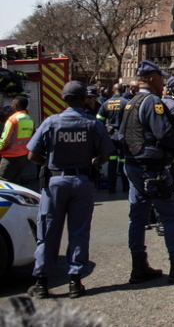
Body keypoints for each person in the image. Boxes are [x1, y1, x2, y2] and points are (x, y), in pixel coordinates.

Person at [120, 60, 174, 284]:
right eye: (160, 78)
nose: (163, 82)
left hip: (134, 165)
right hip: (152, 168)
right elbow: (164, 133)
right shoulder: (152, 102)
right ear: (150, 79)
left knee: (137, 217)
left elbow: (121, 135)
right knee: (170, 215)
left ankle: (139, 266)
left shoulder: (131, 102)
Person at [26, 81, 113, 299]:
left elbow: (32, 155)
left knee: (47, 232)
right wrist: (91, 164)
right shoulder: (93, 124)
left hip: (54, 182)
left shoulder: (51, 122)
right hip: (82, 181)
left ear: (63, 98)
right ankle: (75, 282)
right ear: (84, 99)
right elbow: (104, 156)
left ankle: (41, 283)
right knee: (79, 232)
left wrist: (49, 162)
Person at [97, 84, 129, 195]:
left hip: (110, 137)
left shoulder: (106, 104)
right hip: (123, 137)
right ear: (123, 90)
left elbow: (99, 121)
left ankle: (111, 188)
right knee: (123, 162)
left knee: (112, 162)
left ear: (112, 90)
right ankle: (126, 187)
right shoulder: (126, 103)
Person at [0, 96, 35, 184]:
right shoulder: (29, 119)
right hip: (23, 156)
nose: (12, 105)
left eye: (13, 103)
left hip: (10, 157)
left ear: (17, 105)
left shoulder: (12, 119)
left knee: (3, 182)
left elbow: (5, 139)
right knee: (16, 182)